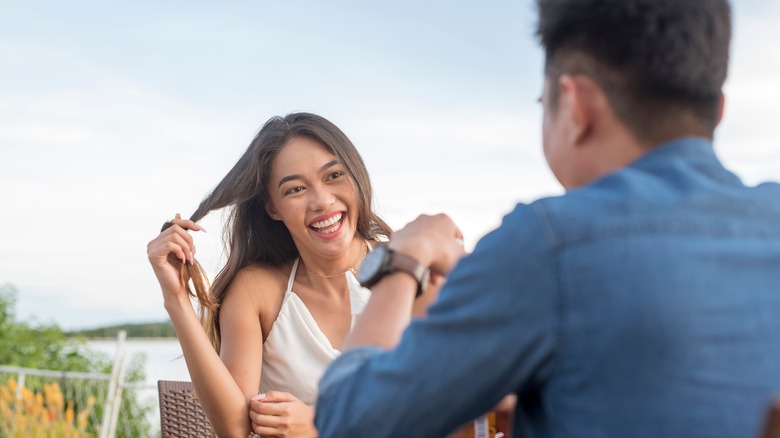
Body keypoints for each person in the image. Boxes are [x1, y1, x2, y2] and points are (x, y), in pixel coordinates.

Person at [314, 1, 780, 437]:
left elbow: (347, 419)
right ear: (717, 110)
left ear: (575, 105)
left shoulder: (549, 244)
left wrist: (403, 261)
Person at [147, 112, 396, 438]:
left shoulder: (409, 268)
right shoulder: (258, 289)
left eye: (334, 175)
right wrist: (177, 298)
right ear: (273, 208)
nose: (322, 201)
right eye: (295, 189)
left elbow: (445, 409)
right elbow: (233, 430)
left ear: (357, 175)